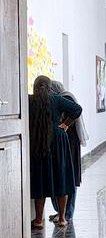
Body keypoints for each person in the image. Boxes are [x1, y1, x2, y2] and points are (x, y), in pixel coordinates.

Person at [29, 75, 82, 229]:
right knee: (61, 177)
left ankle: (38, 220)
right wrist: (66, 124)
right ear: (49, 87)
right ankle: (62, 219)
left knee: (40, 179)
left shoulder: (30, 100)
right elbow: (77, 109)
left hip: (38, 140)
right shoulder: (57, 99)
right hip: (58, 140)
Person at [48, 80, 87, 222]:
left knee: (69, 176)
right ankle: (61, 212)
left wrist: (65, 124)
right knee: (63, 176)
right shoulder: (63, 97)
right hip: (65, 142)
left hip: (69, 143)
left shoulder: (66, 98)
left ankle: (67, 213)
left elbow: (76, 111)